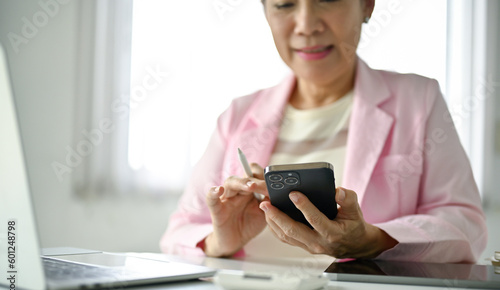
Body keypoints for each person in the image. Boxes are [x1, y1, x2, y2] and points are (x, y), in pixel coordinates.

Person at [160, 0, 487, 263]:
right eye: (285, 5)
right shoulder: (238, 116)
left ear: (367, 6)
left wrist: (372, 240)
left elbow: (466, 227)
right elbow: (176, 235)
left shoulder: (419, 101)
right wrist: (220, 240)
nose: (306, 25)